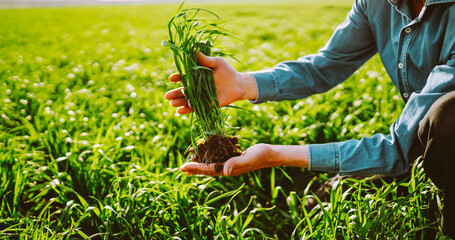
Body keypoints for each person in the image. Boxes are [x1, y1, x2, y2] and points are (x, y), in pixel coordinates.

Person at [164, 0, 455, 236]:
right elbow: (326, 66)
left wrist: (275, 155)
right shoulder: (377, 3)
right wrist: (243, 84)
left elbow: (398, 148)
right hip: (418, 136)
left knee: (447, 119)